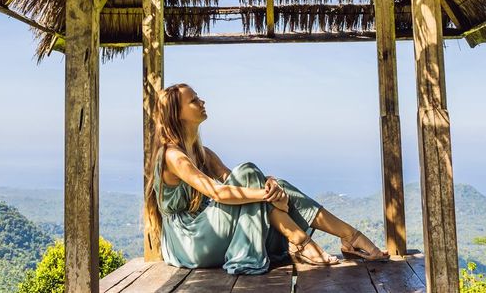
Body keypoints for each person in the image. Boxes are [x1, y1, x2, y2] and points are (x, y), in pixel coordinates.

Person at [144, 83, 389, 275]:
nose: (202, 101)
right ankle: (302, 241)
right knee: (251, 172)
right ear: (177, 113)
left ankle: (348, 236)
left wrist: (268, 184)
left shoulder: (202, 152)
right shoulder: (173, 156)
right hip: (190, 242)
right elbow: (217, 192)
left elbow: (234, 179)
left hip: (209, 233)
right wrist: (265, 194)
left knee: (272, 182)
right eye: (194, 100)